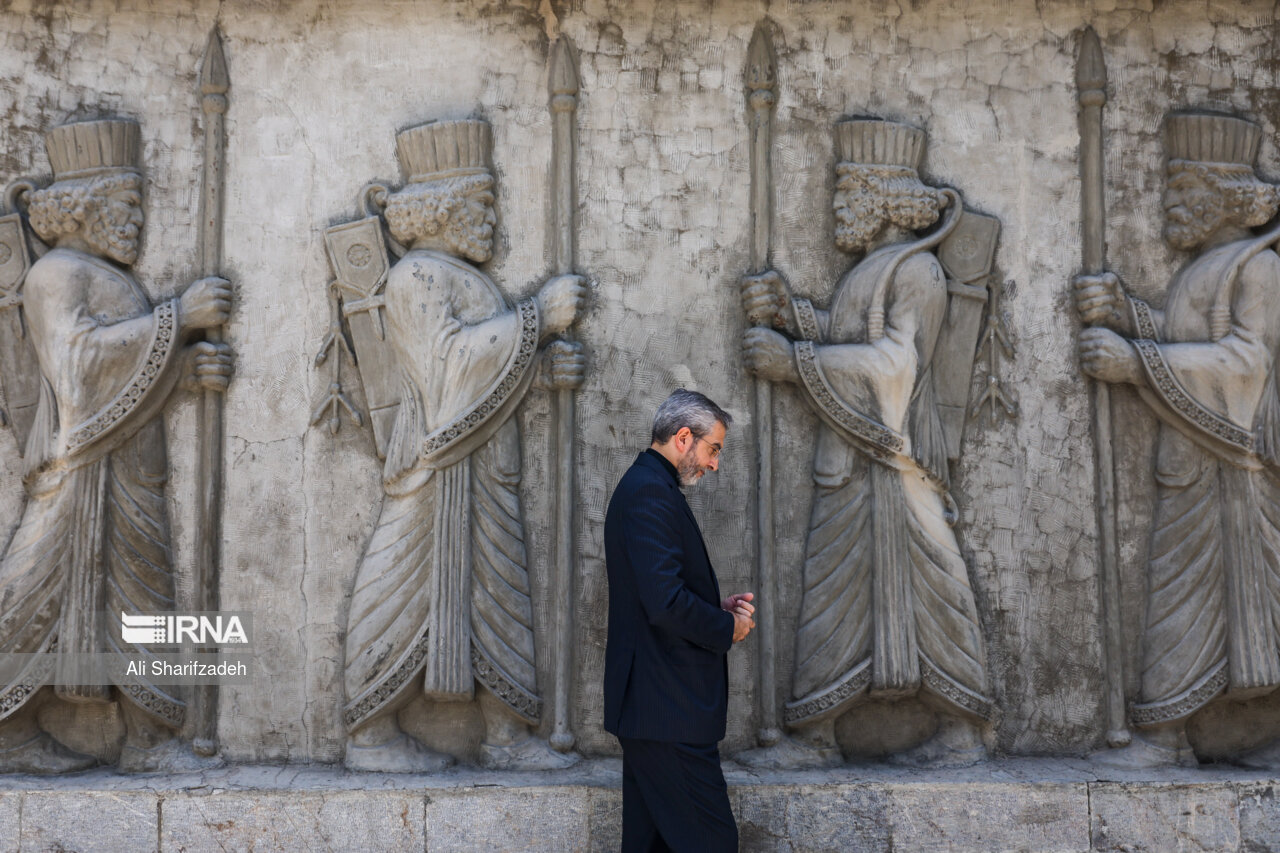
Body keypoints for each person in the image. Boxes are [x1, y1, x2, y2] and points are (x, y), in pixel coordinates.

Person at [739, 118, 992, 768]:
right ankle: (818, 732)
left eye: (846, 189)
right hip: (849, 462)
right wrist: (793, 315)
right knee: (833, 592)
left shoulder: (919, 275)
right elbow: (844, 330)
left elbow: (894, 367)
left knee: (935, 588)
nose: (834, 205)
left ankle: (963, 729)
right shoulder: (873, 271)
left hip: (894, 462)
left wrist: (795, 362)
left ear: (881, 197)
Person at [341, 119, 585, 771]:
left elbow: (492, 369)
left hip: (486, 466)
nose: (494, 222)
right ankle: (369, 732)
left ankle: (506, 731)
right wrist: (535, 320)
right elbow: (449, 368)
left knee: (499, 593)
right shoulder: (416, 278)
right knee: (400, 589)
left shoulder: (463, 278)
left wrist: (540, 365)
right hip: (433, 466)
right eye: (482, 206)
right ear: (443, 211)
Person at [0, 118, 233, 773]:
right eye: (128, 207)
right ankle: (9, 730)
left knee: (145, 599)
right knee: (29, 594)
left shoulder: (108, 275)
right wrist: (177, 319)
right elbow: (78, 368)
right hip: (77, 468)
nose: (139, 222)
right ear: (88, 204)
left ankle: (149, 737)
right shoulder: (56, 274)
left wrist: (185, 372)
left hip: (132, 467)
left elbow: (132, 374)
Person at [1075, 112, 1280, 768]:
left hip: (1235, 473)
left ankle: (1208, 736)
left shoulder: (1259, 271)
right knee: (1178, 598)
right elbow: (1184, 333)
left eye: (1181, 187)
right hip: (1191, 468)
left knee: (1249, 612)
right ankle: (1169, 734)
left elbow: (1248, 366)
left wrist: (1135, 360)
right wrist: (1129, 313)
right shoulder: (1208, 268)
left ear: (1222, 194)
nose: (1167, 201)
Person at [603, 388, 755, 853]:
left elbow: (660, 590)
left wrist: (715, 608)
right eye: (713, 449)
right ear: (684, 437)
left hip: (657, 711)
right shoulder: (649, 491)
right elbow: (665, 603)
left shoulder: (651, 487)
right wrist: (727, 629)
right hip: (667, 712)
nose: (714, 464)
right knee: (712, 842)